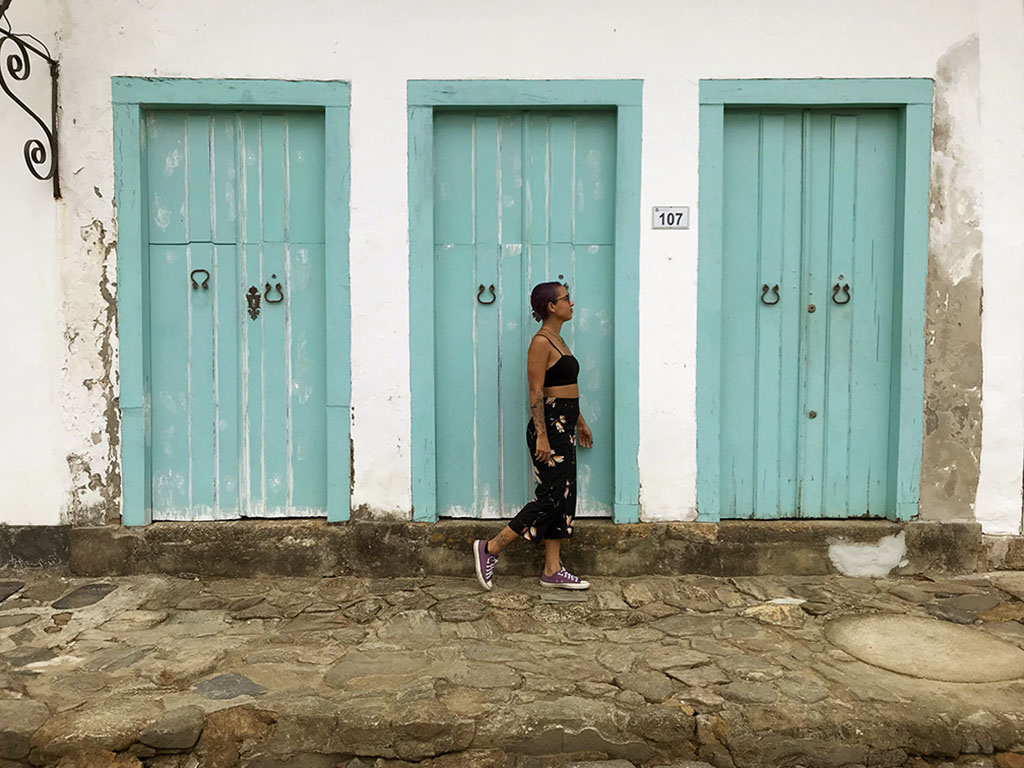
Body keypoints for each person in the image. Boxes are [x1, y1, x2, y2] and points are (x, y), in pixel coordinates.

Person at [473, 281, 592, 591]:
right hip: (550, 427)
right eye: (566, 299)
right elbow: (536, 391)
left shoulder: (559, 340)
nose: (571, 303)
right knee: (551, 497)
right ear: (551, 306)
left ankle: (552, 569)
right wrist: (542, 434)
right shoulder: (541, 342)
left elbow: (563, 389)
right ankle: (491, 547)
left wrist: (579, 421)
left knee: (564, 498)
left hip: (564, 423)